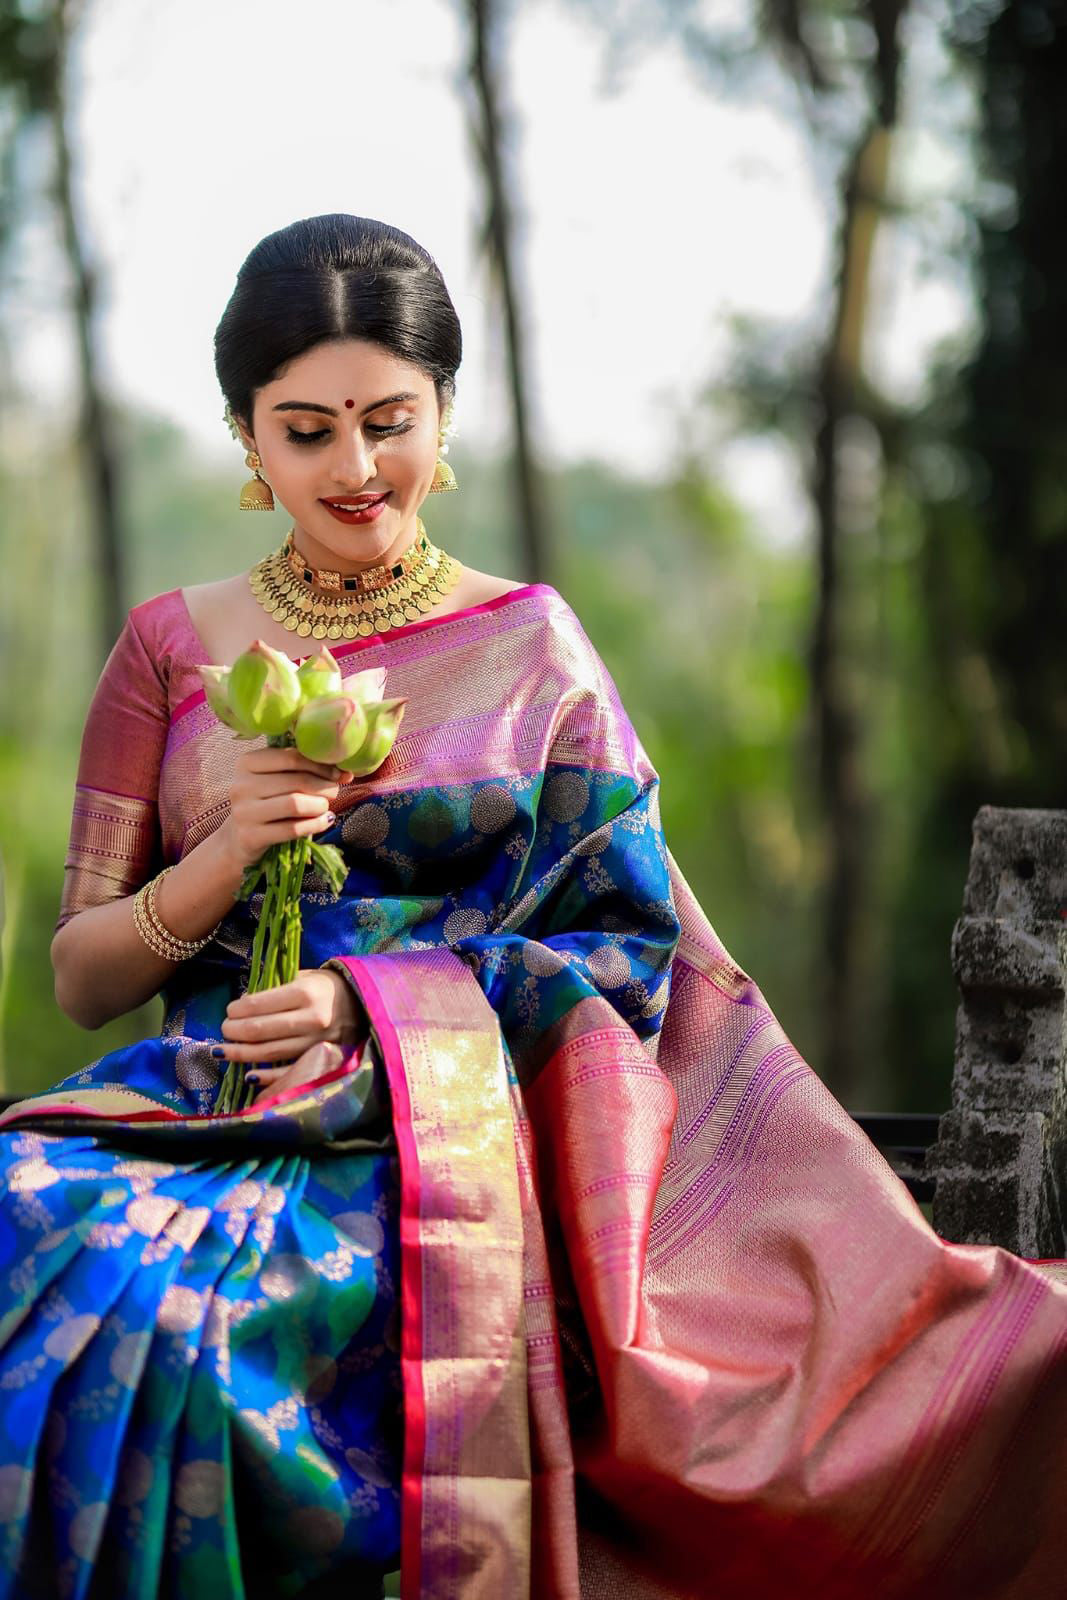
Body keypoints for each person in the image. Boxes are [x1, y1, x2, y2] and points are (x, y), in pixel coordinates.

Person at [0, 214, 1064, 1600]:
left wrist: (364, 1009)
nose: (357, 467)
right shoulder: (171, 647)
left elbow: (622, 949)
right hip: (195, 1104)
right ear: (248, 441)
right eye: (306, 429)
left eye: (390, 419)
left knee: (165, 1314)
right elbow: (83, 978)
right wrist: (220, 862)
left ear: (445, 416)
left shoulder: (532, 646)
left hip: (429, 1145)